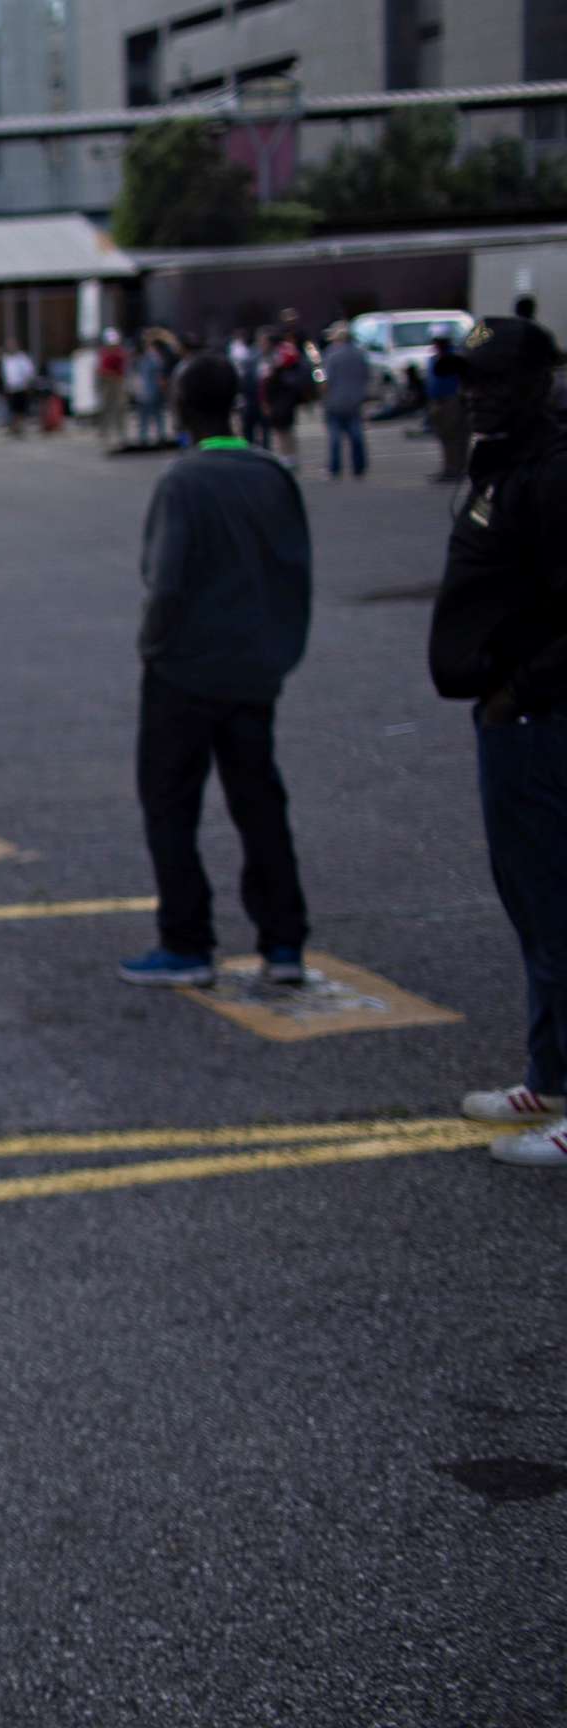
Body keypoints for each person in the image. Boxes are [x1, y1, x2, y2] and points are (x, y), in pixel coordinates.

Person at [117, 354, 312, 990]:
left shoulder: (185, 482)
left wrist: (153, 646)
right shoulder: (271, 474)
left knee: (170, 804)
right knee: (259, 802)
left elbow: (165, 580)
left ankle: (187, 940)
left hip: (185, 671)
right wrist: (281, 651)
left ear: (178, 406)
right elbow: (295, 572)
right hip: (255, 667)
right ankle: (283, 942)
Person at [428, 317, 567, 1166]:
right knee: (533, 903)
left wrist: (524, 689)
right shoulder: (506, 460)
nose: (470, 391)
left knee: (559, 906)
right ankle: (549, 1073)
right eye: (464, 376)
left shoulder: (553, 475)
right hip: (510, 721)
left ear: (537, 382)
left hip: (541, 720)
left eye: (489, 379)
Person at [319, 323, 372, 480]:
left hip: (335, 400)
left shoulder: (331, 354)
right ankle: (359, 467)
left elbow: (324, 379)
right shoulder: (359, 354)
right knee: (356, 434)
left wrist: (323, 396)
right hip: (354, 400)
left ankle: (335, 469)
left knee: (335, 437)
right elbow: (366, 375)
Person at [260, 319, 308, 468]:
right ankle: (290, 455)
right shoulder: (284, 352)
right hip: (285, 396)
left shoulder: (277, 356)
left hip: (280, 396)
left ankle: (288, 456)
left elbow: (266, 379)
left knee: (282, 428)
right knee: (285, 428)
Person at [427, 336, 470, 481]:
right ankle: (451, 467)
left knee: (454, 436)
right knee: (446, 436)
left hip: (452, 399)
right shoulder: (435, 359)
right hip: (439, 401)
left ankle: (455, 469)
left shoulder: (453, 358)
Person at [132, 335, 170, 448]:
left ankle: (159, 437)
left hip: (152, 391)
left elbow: (158, 373)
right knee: (146, 417)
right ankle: (144, 438)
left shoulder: (151, 357)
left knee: (155, 415)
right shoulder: (140, 359)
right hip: (145, 392)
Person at [95, 329, 129, 448]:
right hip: (108, 382)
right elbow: (100, 370)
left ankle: (121, 432)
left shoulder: (120, 352)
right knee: (106, 407)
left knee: (120, 407)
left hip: (118, 381)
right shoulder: (104, 353)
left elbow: (123, 367)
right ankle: (105, 431)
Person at [0, 342, 36, 437]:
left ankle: (19, 427)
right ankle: (14, 427)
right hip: (10, 388)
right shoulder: (6, 359)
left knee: (20, 409)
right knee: (12, 409)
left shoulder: (22, 358)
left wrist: (28, 384)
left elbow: (29, 372)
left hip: (21, 387)